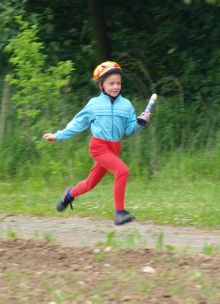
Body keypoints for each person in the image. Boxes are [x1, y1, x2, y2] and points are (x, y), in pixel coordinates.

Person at [43, 61, 151, 225]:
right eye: (111, 83)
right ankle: (119, 213)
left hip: (114, 148)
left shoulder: (126, 105)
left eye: (118, 83)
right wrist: (58, 136)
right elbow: (77, 123)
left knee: (90, 183)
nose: (116, 87)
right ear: (101, 85)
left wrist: (141, 123)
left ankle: (69, 195)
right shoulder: (94, 104)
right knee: (122, 171)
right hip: (99, 146)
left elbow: (129, 130)